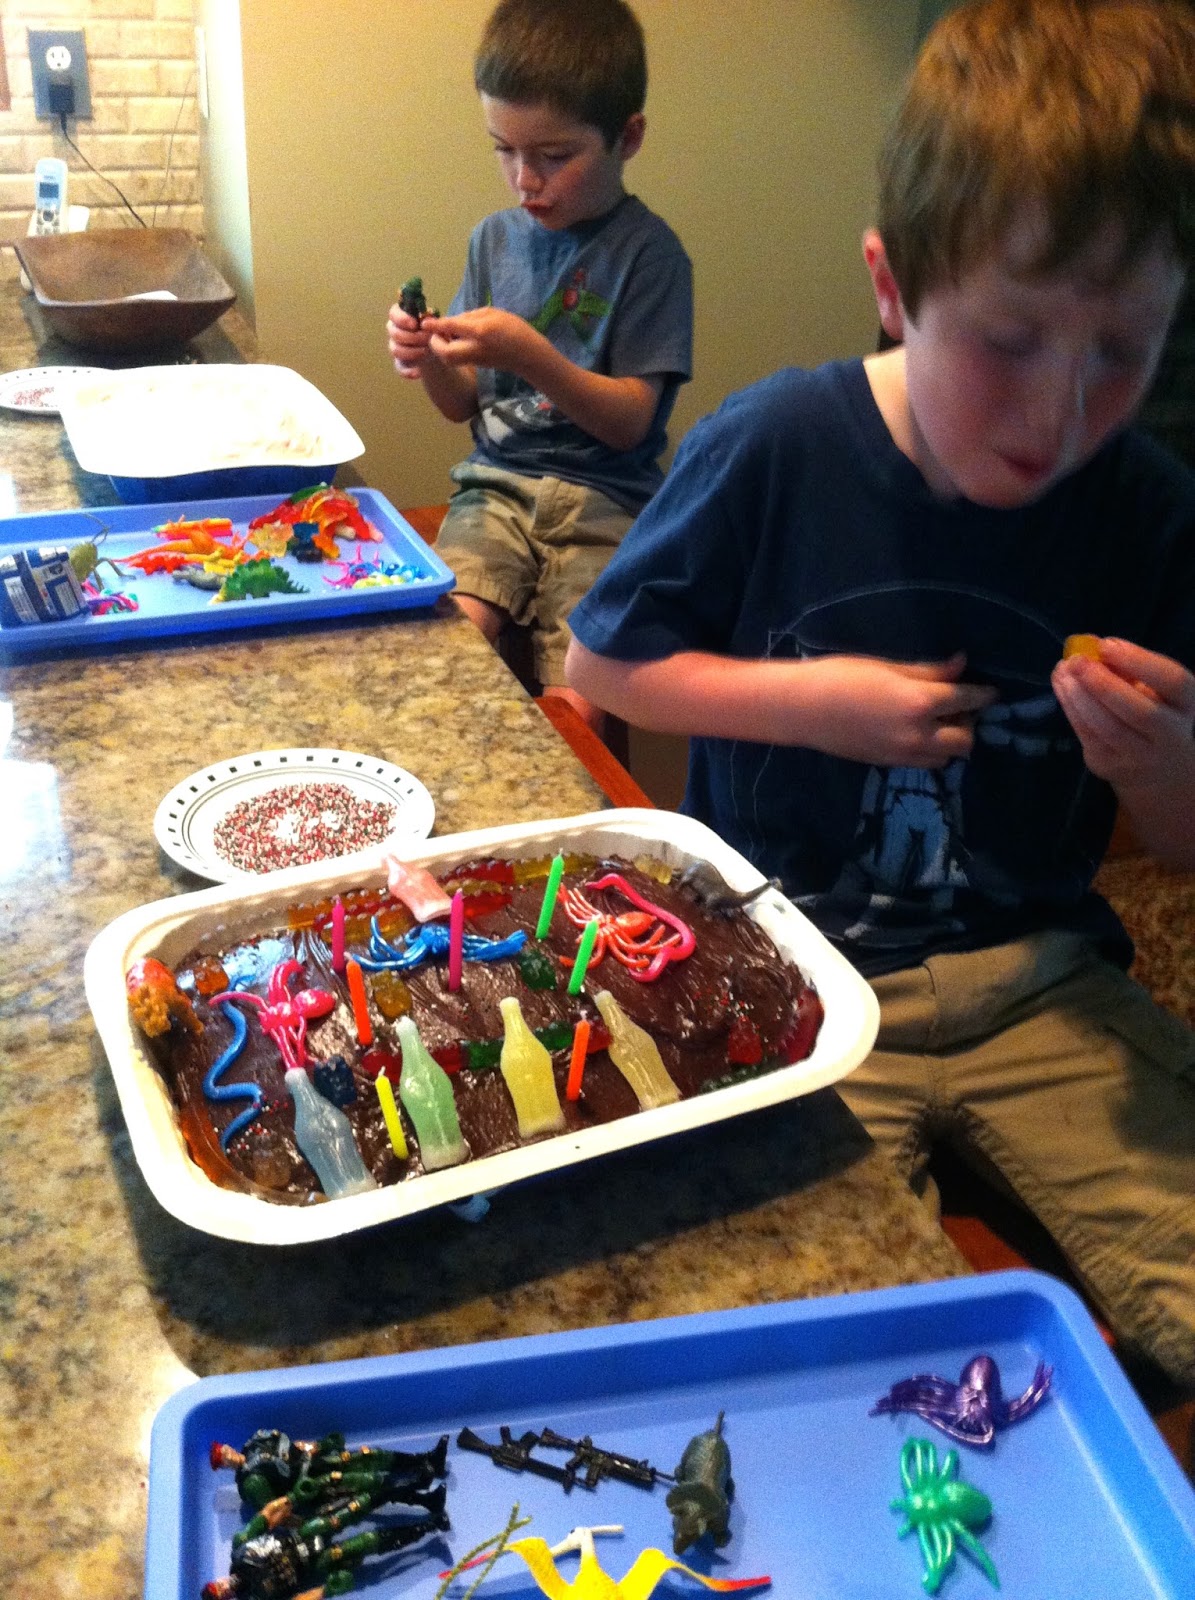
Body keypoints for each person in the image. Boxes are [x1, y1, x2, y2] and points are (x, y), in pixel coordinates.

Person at [566, 0, 1195, 1388]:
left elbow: (1176, 846)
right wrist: (815, 705)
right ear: (893, 288)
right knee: (793, 1348)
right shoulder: (777, 443)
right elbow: (596, 665)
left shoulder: (1147, 513)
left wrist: (1160, 762)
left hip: (1040, 987)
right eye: (1010, 343)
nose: (1056, 415)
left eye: (1121, 352)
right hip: (794, 980)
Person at [387, 0, 693, 732]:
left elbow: (629, 424)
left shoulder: (649, 256)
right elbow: (463, 404)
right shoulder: (491, 241)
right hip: (494, 489)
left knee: (581, 687)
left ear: (628, 137)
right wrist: (425, 354)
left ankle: (557, 812)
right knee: (451, 628)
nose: (525, 178)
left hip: (606, 503)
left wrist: (530, 351)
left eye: (553, 157)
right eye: (503, 150)